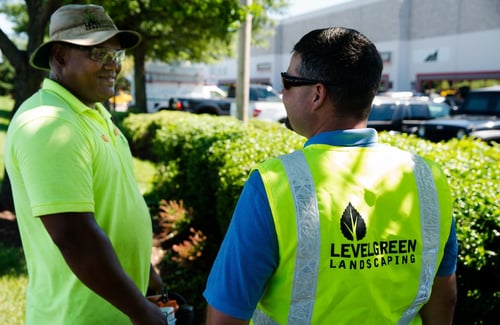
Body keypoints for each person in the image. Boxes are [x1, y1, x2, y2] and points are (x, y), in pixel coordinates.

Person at [203, 27, 457, 324]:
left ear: (317, 94)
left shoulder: (273, 184)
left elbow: (225, 316)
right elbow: (444, 298)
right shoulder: (428, 179)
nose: (282, 92)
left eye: (288, 82)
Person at [5, 4, 167, 324]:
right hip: (80, 316)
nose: (113, 67)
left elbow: (117, 209)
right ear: (61, 56)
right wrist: (142, 311)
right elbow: (73, 234)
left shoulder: (94, 115)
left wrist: (150, 281)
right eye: (99, 54)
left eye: (117, 56)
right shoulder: (48, 123)